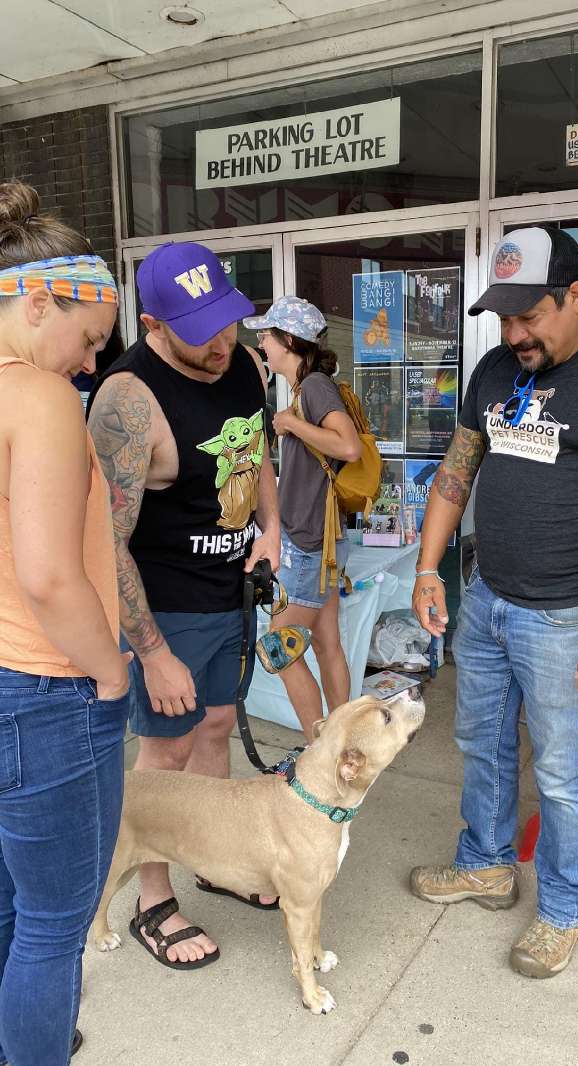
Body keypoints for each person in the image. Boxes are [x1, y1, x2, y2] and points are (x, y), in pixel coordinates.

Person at [410, 225, 578, 979]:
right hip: (490, 598)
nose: (514, 333)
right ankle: (487, 865)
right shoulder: (497, 370)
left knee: (561, 768)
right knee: (480, 744)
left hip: (569, 615)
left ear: (574, 295)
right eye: (503, 317)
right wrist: (430, 569)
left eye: (529, 316)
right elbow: (457, 473)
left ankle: (562, 907)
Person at [87, 241, 282, 970]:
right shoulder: (126, 401)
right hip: (163, 607)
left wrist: (271, 529)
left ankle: (215, 858)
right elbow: (104, 543)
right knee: (164, 752)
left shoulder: (243, 364)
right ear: (152, 324)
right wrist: (153, 652)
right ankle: (152, 902)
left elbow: (255, 453)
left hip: (229, 591)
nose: (223, 341)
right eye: (202, 331)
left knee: (221, 723)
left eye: (228, 321)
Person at [0, 181, 130, 1064]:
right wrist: (112, 672)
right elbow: (49, 575)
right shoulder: (38, 398)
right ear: (39, 299)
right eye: (88, 340)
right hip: (48, 690)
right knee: (53, 925)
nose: (89, 364)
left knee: (10, 908)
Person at [246, 296, 362, 739]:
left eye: (268, 334)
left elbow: (348, 447)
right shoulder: (306, 388)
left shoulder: (313, 387)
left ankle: (322, 748)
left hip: (310, 540)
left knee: (278, 647)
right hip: (320, 538)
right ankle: (345, 740)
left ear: (289, 340)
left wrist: (291, 424)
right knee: (328, 643)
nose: (261, 341)